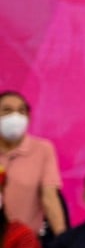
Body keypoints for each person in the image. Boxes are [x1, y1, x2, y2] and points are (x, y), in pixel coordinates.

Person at [0, 91, 66, 239]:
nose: (15, 117)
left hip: (25, 245)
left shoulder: (42, 149)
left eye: (21, 111)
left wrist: (63, 242)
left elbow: (50, 198)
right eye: (7, 111)